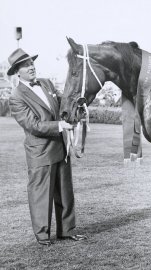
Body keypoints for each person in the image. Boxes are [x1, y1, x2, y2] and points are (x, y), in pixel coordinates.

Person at [7, 48, 87, 246]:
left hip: (61, 147)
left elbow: (62, 105)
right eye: (25, 65)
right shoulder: (16, 97)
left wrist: (78, 108)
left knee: (65, 192)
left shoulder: (47, 83)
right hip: (40, 152)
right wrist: (60, 125)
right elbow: (33, 125)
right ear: (17, 72)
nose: (31, 66)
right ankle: (42, 235)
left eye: (31, 62)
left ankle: (67, 230)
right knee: (41, 195)